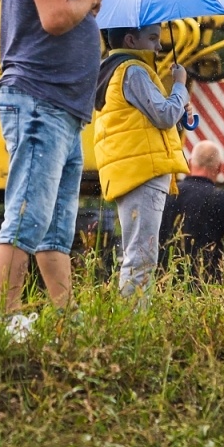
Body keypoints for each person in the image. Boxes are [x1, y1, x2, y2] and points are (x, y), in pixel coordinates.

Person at [0, 0, 106, 333]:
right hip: (39, 102)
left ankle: (65, 318)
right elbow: (56, 17)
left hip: (61, 110)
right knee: (26, 213)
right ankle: (8, 319)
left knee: (55, 226)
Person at [92, 24, 191, 295]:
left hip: (132, 169)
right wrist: (180, 88)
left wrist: (178, 101)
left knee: (137, 254)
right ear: (130, 40)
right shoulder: (133, 71)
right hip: (143, 171)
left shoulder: (114, 69)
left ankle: (131, 322)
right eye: (152, 39)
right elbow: (165, 116)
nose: (159, 47)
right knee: (142, 258)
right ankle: (132, 326)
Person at [159, 140, 224, 281]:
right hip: (207, 290)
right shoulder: (223, 199)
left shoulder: (167, 194)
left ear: (190, 162)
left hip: (164, 288)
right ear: (219, 168)